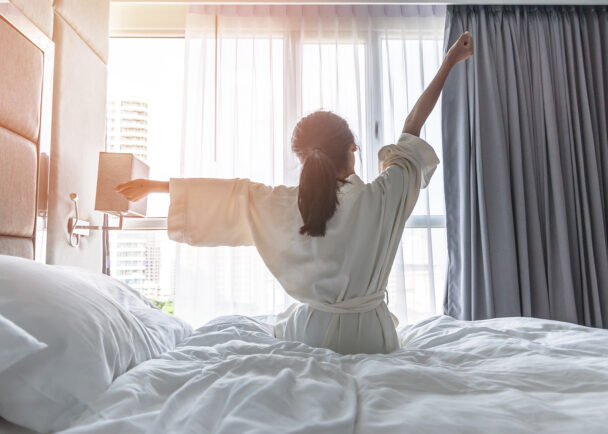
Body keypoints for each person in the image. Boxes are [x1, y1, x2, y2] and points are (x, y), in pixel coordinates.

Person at [115, 32, 474, 354]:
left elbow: (231, 194)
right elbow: (411, 129)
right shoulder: (384, 194)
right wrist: (448, 63)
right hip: (373, 337)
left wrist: (158, 187)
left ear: (304, 159)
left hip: (313, 335)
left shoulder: (289, 204)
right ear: (352, 148)